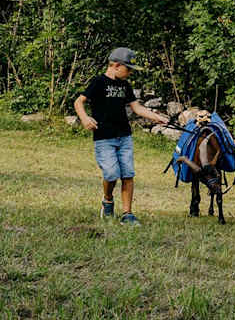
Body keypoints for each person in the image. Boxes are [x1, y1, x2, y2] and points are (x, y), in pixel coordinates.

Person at [73, 47, 170, 226]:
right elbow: (79, 102)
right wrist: (85, 118)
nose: (130, 73)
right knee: (111, 174)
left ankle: (127, 214)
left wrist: (156, 117)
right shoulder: (98, 82)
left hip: (124, 136)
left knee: (127, 174)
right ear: (117, 65)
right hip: (104, 138)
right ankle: (108, 200)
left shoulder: (125, 86)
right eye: (129, 69)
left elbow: (136, 108)